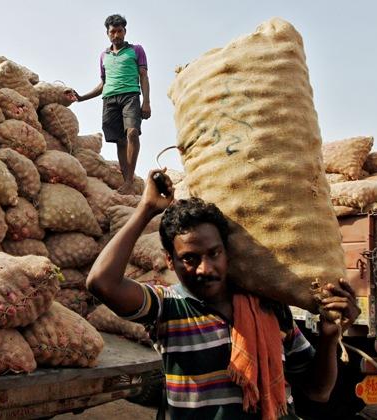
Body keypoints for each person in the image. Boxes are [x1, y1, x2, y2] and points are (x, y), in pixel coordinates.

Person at [86, 169, 362, 419]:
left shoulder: (270, 308)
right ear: (170, 261)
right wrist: (146, 209)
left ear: (227, 252)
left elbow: (318, 391)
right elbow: (101, 282)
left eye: (214, 253)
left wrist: (328, 337)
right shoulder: (168, 307)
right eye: (190, 259)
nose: (206, 268)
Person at [76, 14, 151, 195]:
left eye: (119, 31)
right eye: (113, 32)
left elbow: (143, 76)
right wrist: (81, 98)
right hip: (110, 100)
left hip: (130, 96)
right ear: (107, 34)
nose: (116, 35)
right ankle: (127, 183)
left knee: (132, 133)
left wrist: (146, 102)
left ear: (125, 32)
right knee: (120, 141)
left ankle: (129, 180)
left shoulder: (136, 50)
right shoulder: (104, 56)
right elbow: (103, 84)